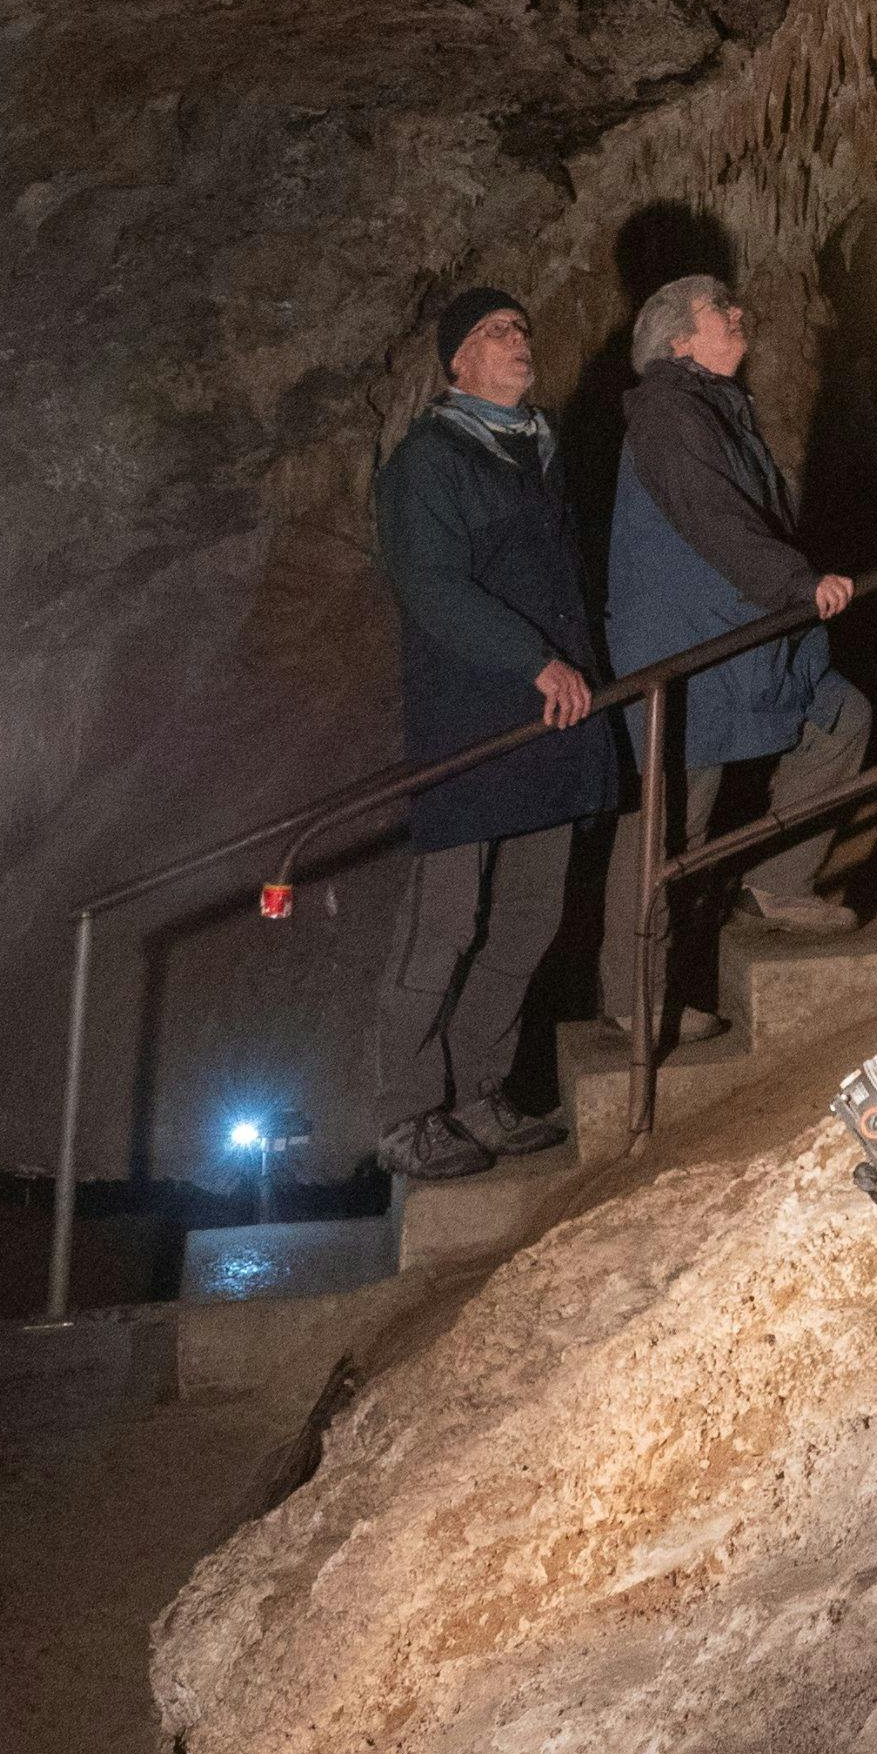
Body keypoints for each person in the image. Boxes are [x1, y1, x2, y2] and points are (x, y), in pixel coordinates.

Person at [367, 289, 616, 1182]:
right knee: (443, 926)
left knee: (525, 919)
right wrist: (533, 658)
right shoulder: (429, 463)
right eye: (494, 332)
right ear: (456, 364)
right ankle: (404, 1115)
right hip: (473, 722)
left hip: (548, 722)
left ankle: (479, 1090)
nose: (518, 340)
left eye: (522, 327)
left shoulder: (536, 453)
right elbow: (431, 587)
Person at [601, 263, 871, 1020]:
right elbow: (715, 516)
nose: (739, 312)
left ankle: (780, 883)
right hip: (689, 652)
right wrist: (796, 581)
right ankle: (635, 1005)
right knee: (668, 828)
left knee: (841, 718)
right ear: (680, 340)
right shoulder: (667, 412)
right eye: (720, 307)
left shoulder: (719, 407)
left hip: (744, 637)